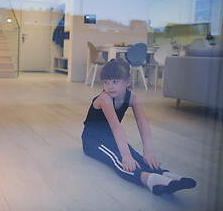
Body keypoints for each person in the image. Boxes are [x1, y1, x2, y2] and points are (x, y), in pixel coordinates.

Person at [81, 58, 196, 195]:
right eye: (106, 82)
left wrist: (148, 152)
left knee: (136, 157)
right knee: (120, 159)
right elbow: (116, 127)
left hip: (111, 137)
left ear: (128, 82)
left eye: (115, 82)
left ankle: (166, 175)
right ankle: (149, 179)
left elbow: (142, 124)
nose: (110, 86)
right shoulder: (105, 98)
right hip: (92, 140)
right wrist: (126, 156)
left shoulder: (132, 98)